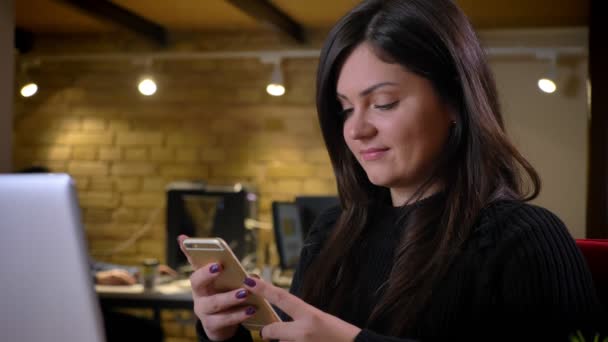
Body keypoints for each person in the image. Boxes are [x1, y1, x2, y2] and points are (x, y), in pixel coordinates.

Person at [179, 0, 607, 341]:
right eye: (345, 109)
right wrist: (226, 331)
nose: (358, 129)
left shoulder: (527, 239)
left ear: (455, 102)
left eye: (383, 103)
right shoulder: (331, 232)